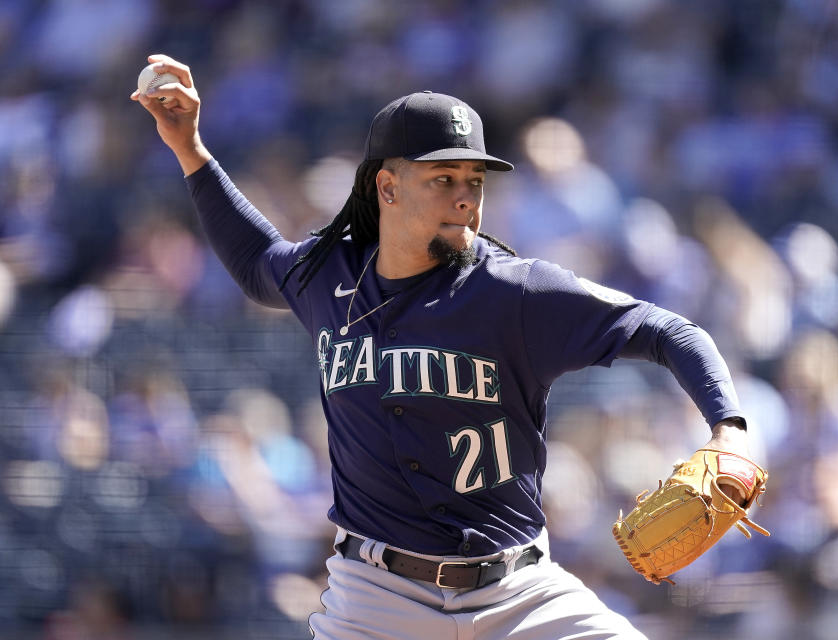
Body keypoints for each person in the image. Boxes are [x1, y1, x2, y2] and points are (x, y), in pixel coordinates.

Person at [132, 53, 758, 640]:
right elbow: (256, 260)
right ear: (388, 188)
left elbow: (671, 330)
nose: (466, 196)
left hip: (517, 591)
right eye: (444, 178)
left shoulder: (517, 292)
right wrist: (189, 148)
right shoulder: (329, 276)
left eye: (475, 180)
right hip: (374, 598)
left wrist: (727, 427)